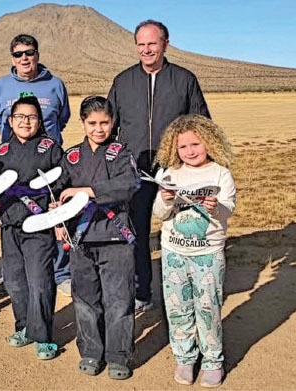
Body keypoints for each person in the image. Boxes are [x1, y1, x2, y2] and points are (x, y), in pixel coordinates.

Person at [107, 20, 211, 313]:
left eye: (152, 43)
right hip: (136, 169)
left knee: (180, 231)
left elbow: (202, 124)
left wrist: (201, 166)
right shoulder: (123, 81)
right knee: (136, 231)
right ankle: (142, 291)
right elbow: (109, 126)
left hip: (176, 170)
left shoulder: (184, 79)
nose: (146, 49)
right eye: (141, 44)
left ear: (166, 44)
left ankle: (184, 290)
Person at [51, 96, 140, 380]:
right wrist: (56, 214)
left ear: (113, 122)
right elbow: (57, 189)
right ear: (82, 123)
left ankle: (118, 356)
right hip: (81, 239)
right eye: (92, 123)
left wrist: (88, 191)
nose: (99, 129)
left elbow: (128, 185)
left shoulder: (122, 153)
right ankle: (91, 351)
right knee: (86, 299)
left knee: (119, 299)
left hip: (115, 237)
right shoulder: (72, 156)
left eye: (105, 122)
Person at [0, 95, 62, 360]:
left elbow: (62, 181)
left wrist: (57, 205)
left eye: (32, 117)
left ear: (39, 121)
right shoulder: (2, 151)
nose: (26, 122)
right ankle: (24, 327)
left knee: (39, 281)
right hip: (9, 223)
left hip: (38, 224)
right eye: (20, 117)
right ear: (10, 121)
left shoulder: (50, 148)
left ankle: (43, 336)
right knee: (14, 281)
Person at [152, 114, 235, 387]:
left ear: (209, 142)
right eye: (183, 147)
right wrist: (165, 200)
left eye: (195, 144)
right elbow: (160, 214)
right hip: (174, 252)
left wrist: (215, 208)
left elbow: (227, 212)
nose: (190, 151)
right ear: (173, 150)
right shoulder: (169, 174)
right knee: (178, 308)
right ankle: (185, 357)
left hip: (208, 252)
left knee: (208, 307)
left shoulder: (221, 174)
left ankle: (212, 360)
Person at [0, 34, 72, 296]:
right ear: (12, 58)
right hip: (12, 167)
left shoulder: (55, 84)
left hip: (46, 163)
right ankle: (11, 276)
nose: (24, 58)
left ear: (37, 54)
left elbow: (62, 119)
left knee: (51, 214)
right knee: (12, 221)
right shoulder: (2, 86)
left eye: (29, 52)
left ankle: (60, 273)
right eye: (18, 54)